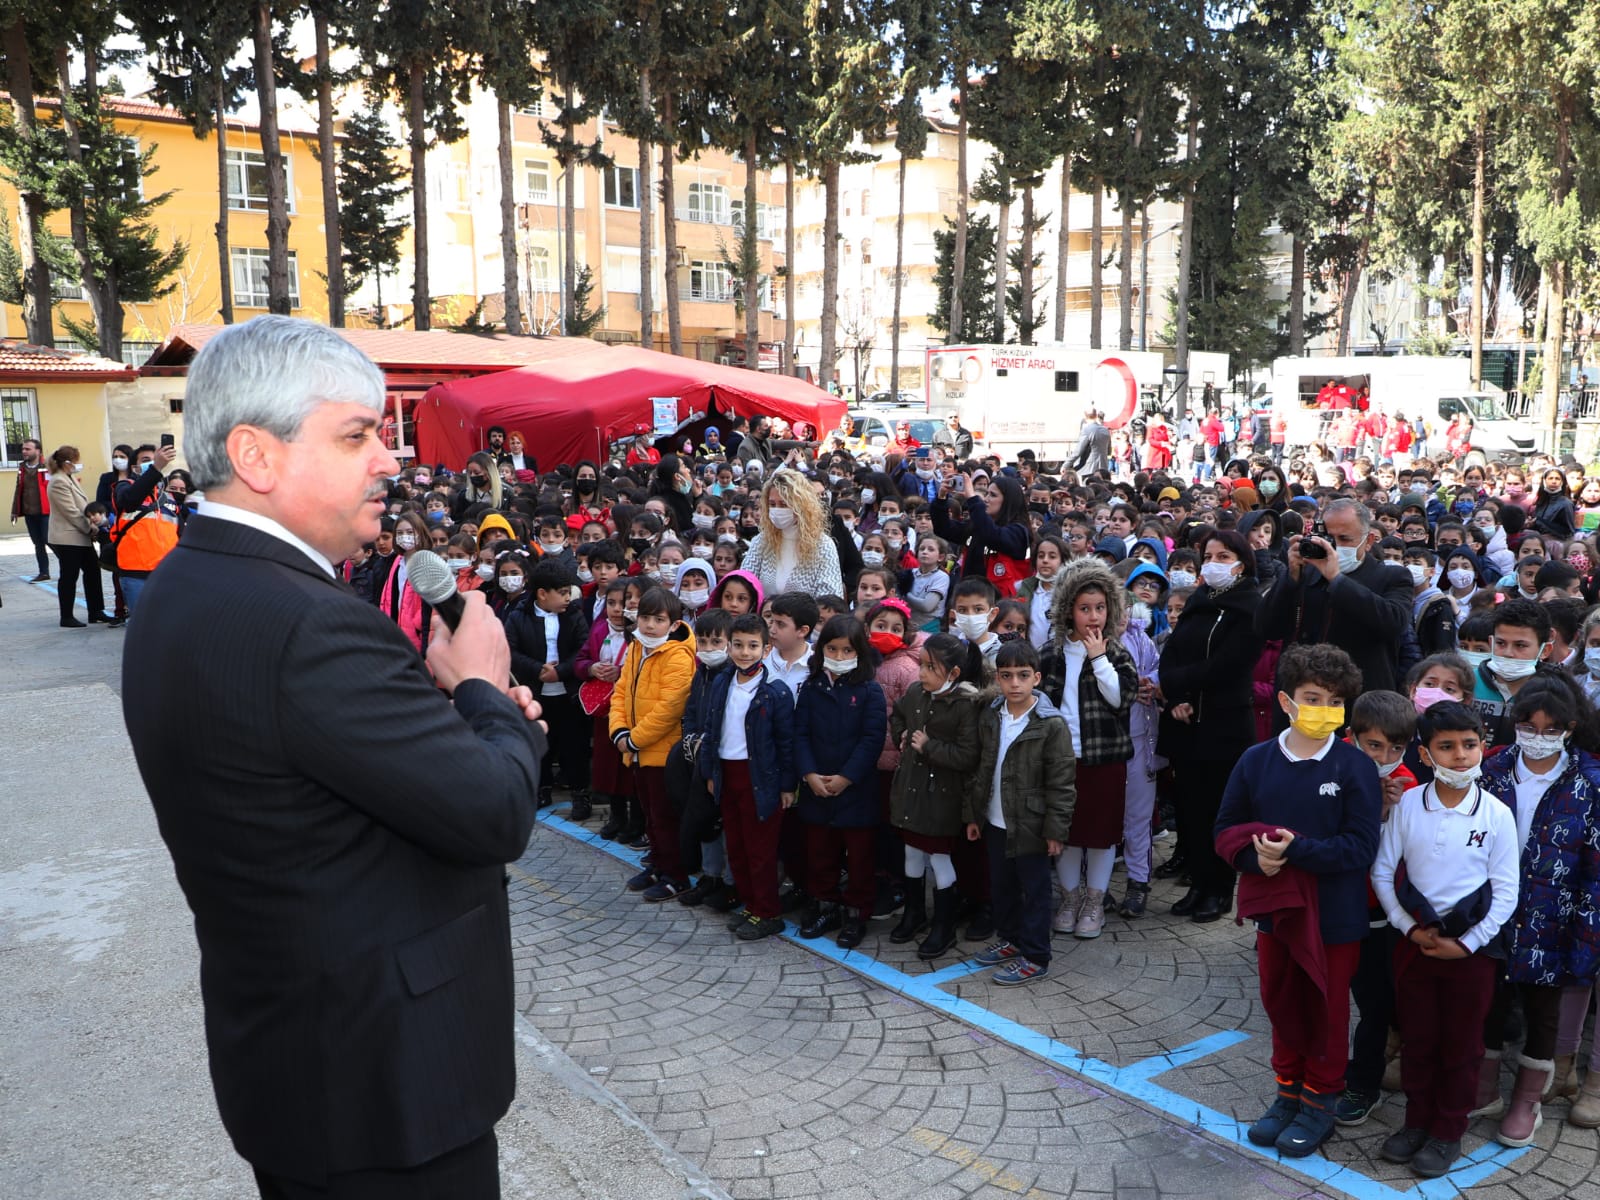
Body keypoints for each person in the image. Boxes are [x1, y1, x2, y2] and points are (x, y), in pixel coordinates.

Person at [120, 317, 546, 1198]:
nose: (389, 460)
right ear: (257, 456)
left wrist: (439, 720)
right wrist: (484, 696)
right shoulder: (312, 624)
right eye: (356, 435)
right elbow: (492, 811)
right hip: (385, 1090)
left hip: (301, 1063)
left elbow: (312, 775)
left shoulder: (187, 587)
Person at [1216, 643, 1381, 1160]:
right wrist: (1252, 859)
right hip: (1276, 911)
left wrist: (1297, 851)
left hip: (1335, 915)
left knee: (1328, 1010)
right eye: (1313, 698)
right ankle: (1287, 1092)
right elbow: (1225, 829)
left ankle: (1320, 1101)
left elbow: (1361, 847)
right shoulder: (1256, 759)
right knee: (1282, 1002)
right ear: (1286, 701)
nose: (1324, 710)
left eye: (1335, 702)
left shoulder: (1354, 766)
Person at [1369, 701, 1518, 1178]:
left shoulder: (1495, 813)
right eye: (1446, 747)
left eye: (1469, 745)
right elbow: (1383, 870)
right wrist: (1406, 926)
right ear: (1426, 754)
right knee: (1418, 1038)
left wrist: (1469, 944)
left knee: (1462, 1043)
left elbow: (1507, 890)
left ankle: (1447, 1130)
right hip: (1415, 944)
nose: (1460, 755)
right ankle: (1416, 1122)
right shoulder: (1410, 805)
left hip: (1470, 954)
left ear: (1483, 747)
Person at [1476, 678, 1600, 1147]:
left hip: (1556, 920)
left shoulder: (1590, 782)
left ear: (1569, 728)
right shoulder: (1492, 770)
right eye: (1529, 726)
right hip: (1492, 914)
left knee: (1543, 1012)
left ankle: (1527, 1100)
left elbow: (1595, 867)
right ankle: (1483, 1088)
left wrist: (1588, 934)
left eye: (1551, 730)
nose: (1538, 737)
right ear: (1515, 724)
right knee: (1489, 1001)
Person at [1157, 530, 1264, 921]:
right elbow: (1174, 651)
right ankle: (1198, 882)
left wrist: (1179, 685)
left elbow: (1227, 666)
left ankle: (1219, 889)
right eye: (1209, 555)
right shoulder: (1200, 600)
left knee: (1220, 810)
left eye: (1223, 556)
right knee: (1191, 809)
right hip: (1187, 722)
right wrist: (1176, 696)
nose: (1213, 563)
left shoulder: (1251, 606)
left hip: (1224, 724)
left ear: (1242, 563)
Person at [966, 640, 1076, 986]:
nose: (1015, 683)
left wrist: (1055, 831)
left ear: (1037, 678)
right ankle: (1011, 939)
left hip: (1032, 825)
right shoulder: (991, 715)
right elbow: (983, 769)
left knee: (1035, 892)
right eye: (1007, 675)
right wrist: (974, 815)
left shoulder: (1051, 724)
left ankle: (1036, 956)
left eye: (1023, 675)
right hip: (996, 820)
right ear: (997, 678)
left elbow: (1061, 783)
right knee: (1003, 887)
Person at [1039, 560, 1137, 938]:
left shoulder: (1116, 653)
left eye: (1099, 608)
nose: (1093, 617)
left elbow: (1120, 699)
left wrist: (1098, 659)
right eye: (1084, 609)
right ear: (1069, 611)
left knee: (1100, 835)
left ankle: (1095, 902)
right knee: (1064, 833)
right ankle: (1069, 898)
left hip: (1105, 760)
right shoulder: (1051, 653)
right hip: (1062, 760)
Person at [692, 612, 796, 941]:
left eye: (753, 646)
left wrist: (786, 786)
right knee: (735, 846)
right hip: (727, 774)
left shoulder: (775, 692)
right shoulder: (723, 681)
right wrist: (710, 772)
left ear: (767, 650)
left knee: (760, 850)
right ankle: (750, 906)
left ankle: (768, 912)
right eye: (738, 645)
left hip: (760, 781)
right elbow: (711, 729)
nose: (744, 652)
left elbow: (786, 744)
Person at [793, 615, 888, 949]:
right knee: (820, 853)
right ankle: (825, 905)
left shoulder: (869, 690)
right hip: (816, 787)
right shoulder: (812, 686)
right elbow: (800, 733)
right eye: (832, 648)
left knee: (860, 857)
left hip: (856, 791)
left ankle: (856, 913)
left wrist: (846, 778)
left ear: (859, 652)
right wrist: (809, 774)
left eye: (847, 650)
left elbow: (872, 739)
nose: (839, 655)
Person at [1258, 497, 1413, 695]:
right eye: (1330, 539)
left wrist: (1337, 580)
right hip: (1300, 695)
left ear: (1369, 541)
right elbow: (1265, 627)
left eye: (1345, 539)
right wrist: (1290, 579)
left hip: (1358, 701)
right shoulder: (1306, 572)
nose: (1335, 547)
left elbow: (1393, 622)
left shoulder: (1392, 576)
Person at [611, 586, 698, 901]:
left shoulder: (678, 657)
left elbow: (669, 709)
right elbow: (620, 692)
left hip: (662, 754)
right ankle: (658, 866)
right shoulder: (637, 648)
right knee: (649, 815)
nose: (649, 625)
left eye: (658, 619)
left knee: (665, 818)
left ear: (674, 624)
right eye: (645, 617)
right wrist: (619, 731)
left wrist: (632, 739)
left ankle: (677, 875)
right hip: (635, 752)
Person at [740, 468, 845, 598]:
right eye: (772, 504)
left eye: (784, 504)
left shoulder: (823, 546)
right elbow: (743, 585)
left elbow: (830, 600)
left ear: (800, 506)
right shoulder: (762, 541)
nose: (777, 510)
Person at [45, 445, 110, 627]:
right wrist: (91, 529)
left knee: (92, 571)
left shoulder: (68, 478)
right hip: (68, 537)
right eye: (75, 461)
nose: (78, 464)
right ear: (67, 463)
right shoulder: (58, 481)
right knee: (69, 575)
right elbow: (71, 512)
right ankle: (66, 616)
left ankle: (96, 611)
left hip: (80, 536)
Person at [10, 436, 52, 581]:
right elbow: (18, 489)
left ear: (38, 451)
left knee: (49, 540)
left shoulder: (48, 466)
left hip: (46, 512)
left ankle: (69, 563)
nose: (24, 451)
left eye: (28, 449)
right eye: (23, 449)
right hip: (30, 513)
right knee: (38, 544)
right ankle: (44, 572)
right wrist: (14, 510)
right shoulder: (22, 467)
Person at [1071, 408, 1110, 476]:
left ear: (1085, 417)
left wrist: (1066, 465)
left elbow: (1078, 451)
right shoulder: (1106, 430)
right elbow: (1108, 451)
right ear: (1096, 415)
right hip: (1103, 467)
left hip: (1089, 468)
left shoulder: (1086, 430)